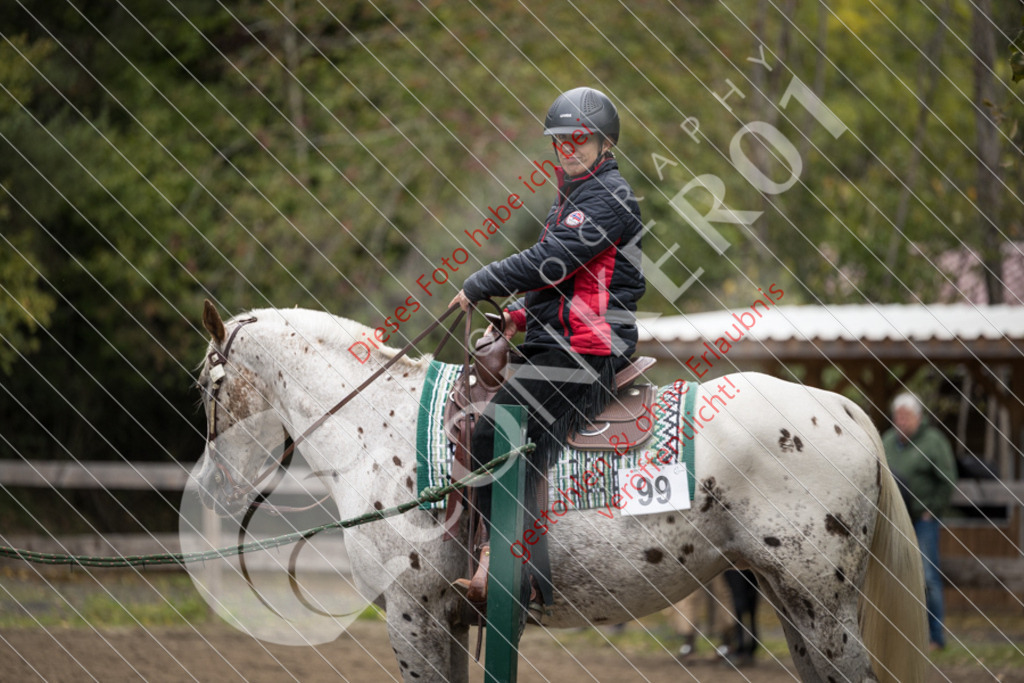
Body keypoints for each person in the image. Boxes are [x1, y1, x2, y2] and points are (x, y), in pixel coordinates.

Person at [449, 87, 645, 607]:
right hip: (559, 342)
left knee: (495, 429)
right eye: (560, 140)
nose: (568, 148)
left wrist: (479, 281)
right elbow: (557, 280)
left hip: (589, 349)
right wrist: (516, 315)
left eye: (579, 139)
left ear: (604, 143)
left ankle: (504, 562)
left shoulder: (610, 197)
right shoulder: (573, 196)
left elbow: (547, 261)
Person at [881, 392, 958, 651]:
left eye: (906, 417)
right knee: (894, 578)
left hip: (923, 520)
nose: (901, 422)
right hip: (894, 520)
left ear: (919, 418)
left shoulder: (933, 442)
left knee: (926, 578)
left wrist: (932, 509)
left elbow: (947, 479)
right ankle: (900, 638)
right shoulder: (888, 442)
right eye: (897, 417)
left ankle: (935, 636)